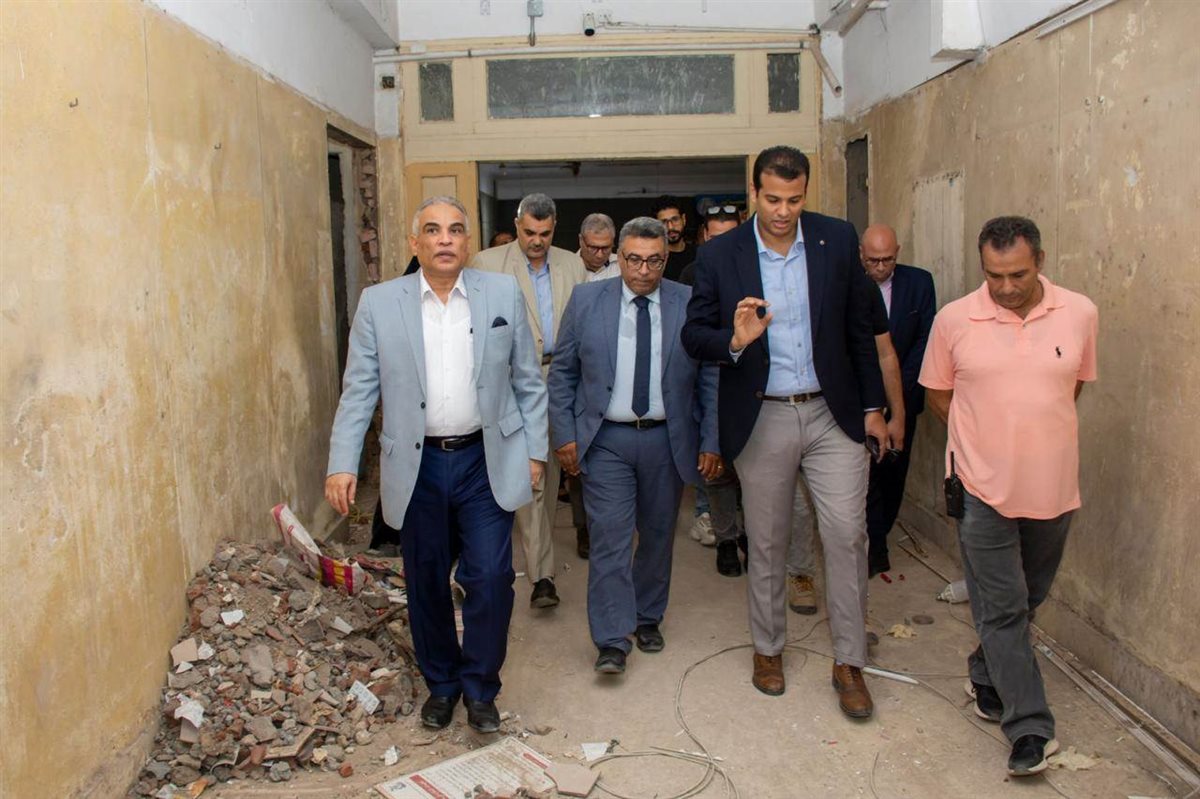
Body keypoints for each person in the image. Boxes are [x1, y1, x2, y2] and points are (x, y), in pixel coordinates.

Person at [324, 196, 547, 734]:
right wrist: (342, 462)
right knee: (425, 579)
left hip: (484, 460)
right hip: (417, 465)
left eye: (455, 230)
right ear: (415, 242)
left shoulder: (501, 293)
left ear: (467, 242)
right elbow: (359, 389)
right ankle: (443, 686)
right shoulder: (380, 303)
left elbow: (527, 379)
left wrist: (535, 451)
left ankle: (481, 689)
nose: (445, 239)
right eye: (433, 230)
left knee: (491, 577)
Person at [682, 145, 888, 719]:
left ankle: (849, 662)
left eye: (794, 200)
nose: (782, 211)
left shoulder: (836, 239)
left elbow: (859, 329)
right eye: (772, 199)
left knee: (847, 535)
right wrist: (736, 338)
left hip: (832, 413)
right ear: (754, 192)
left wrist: (873, 406)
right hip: (763, 413)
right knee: (768, 540)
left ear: (805, 194)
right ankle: (768, 649)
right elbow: (693, 336)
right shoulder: (720, 255)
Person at [920, 215, 1097, 777]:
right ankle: (1030, 729)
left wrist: (1028, 434)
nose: (1005, 287)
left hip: (1053, 487)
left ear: (1039, 261)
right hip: (979, 488)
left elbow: (1071, 386)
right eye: (993, 275)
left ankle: (985, 669)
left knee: (1027, 598)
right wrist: (984, 440)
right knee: (1001, 607)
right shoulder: (954, 319)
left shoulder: (1080, 313)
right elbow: (938, 395)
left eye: (1017, 274)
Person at [549, 217, 720, 674]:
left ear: (666, 259)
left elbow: (709, 376)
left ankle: (647, 617)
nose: (644, 270)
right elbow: (562, 372)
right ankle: (611, 638)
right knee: (610, 537)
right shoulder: (587, 300)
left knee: (658, 536)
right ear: (618, 258)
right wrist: (564, 434)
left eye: (654, 261)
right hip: (608, 440)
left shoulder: (688, 302)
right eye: (634, 260)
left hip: (667, 438)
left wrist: (711, 439)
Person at [471, 193, 587, 610]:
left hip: (562, 379)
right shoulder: (486, 264)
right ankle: (543, 576)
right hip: (512, 382)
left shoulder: (572, 266)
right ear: (517, 225)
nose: (537, 241)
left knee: (552, 476)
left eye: (545, 234)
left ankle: (541, 565)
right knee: (531, 477)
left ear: (555, 230)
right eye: (529, 232)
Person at [678, 204, 741, 287]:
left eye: (729, 238)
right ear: (705, 235)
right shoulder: (691, 274)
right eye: (715, 239)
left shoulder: (753, 269)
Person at [652, 196, 696, 283]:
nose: (670, 227)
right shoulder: (653, 260)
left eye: (675, 219)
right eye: (664, 222)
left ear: (684, 219)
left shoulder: (700, 254)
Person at [578, 213, 620, 283]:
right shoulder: (566, 268)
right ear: (581, 240)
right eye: (593, 248)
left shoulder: (623, 266)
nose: (599, 255)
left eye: (605, 248)